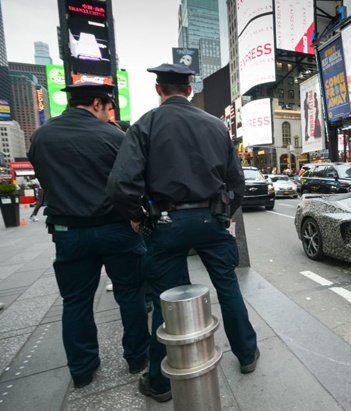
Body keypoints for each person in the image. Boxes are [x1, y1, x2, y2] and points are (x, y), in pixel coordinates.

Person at [106, 64, 259, 403]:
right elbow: (236, 182)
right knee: (228, 286)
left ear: (159, 89)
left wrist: (139, 215)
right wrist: (221, 214)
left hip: (166, 222)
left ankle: (160, 383)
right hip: (210, 222)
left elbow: (119, 184)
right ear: (189, 90)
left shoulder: (146, 124)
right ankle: (247, 354)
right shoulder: (216, 125)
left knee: (168, 299)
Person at [27, 83, 150, 389]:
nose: (108, 113)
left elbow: (45, 179)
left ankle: (82, 369)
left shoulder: (41, 136)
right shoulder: (113, 136)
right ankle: (137, 357)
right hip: (115, 228)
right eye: (108, 107)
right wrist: (136, 215)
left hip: (68, 230)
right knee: (130, 293)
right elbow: (131, 182)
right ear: (97, 103)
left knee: (76, 301)